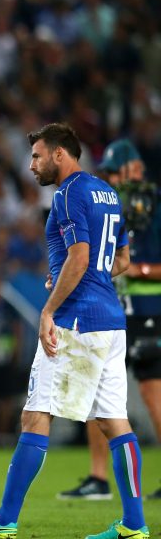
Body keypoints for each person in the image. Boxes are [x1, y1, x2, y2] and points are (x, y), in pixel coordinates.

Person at [0, 123, 149, 539]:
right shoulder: (107, 193)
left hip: (76, 321)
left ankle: (5, 518)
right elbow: (119, 261)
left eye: (37, 156)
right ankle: (135, 523)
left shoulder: (67, 194)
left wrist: (50, 307)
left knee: (35, 413)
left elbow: (81, 256)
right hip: (111, 323)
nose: (31, 165)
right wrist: (66, 276)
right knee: (115, 421)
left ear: (60, 154)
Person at [59, 138, 161, 501]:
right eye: (110, 172)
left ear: (136, 169)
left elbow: (131, 263)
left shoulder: (153, 205)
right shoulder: (111, 204)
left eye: (119, 171)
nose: (114, 178)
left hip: (150, 311)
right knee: (96, 397)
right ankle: (98, 478)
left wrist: (142, 271)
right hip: (116, 309)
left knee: (152, 394)